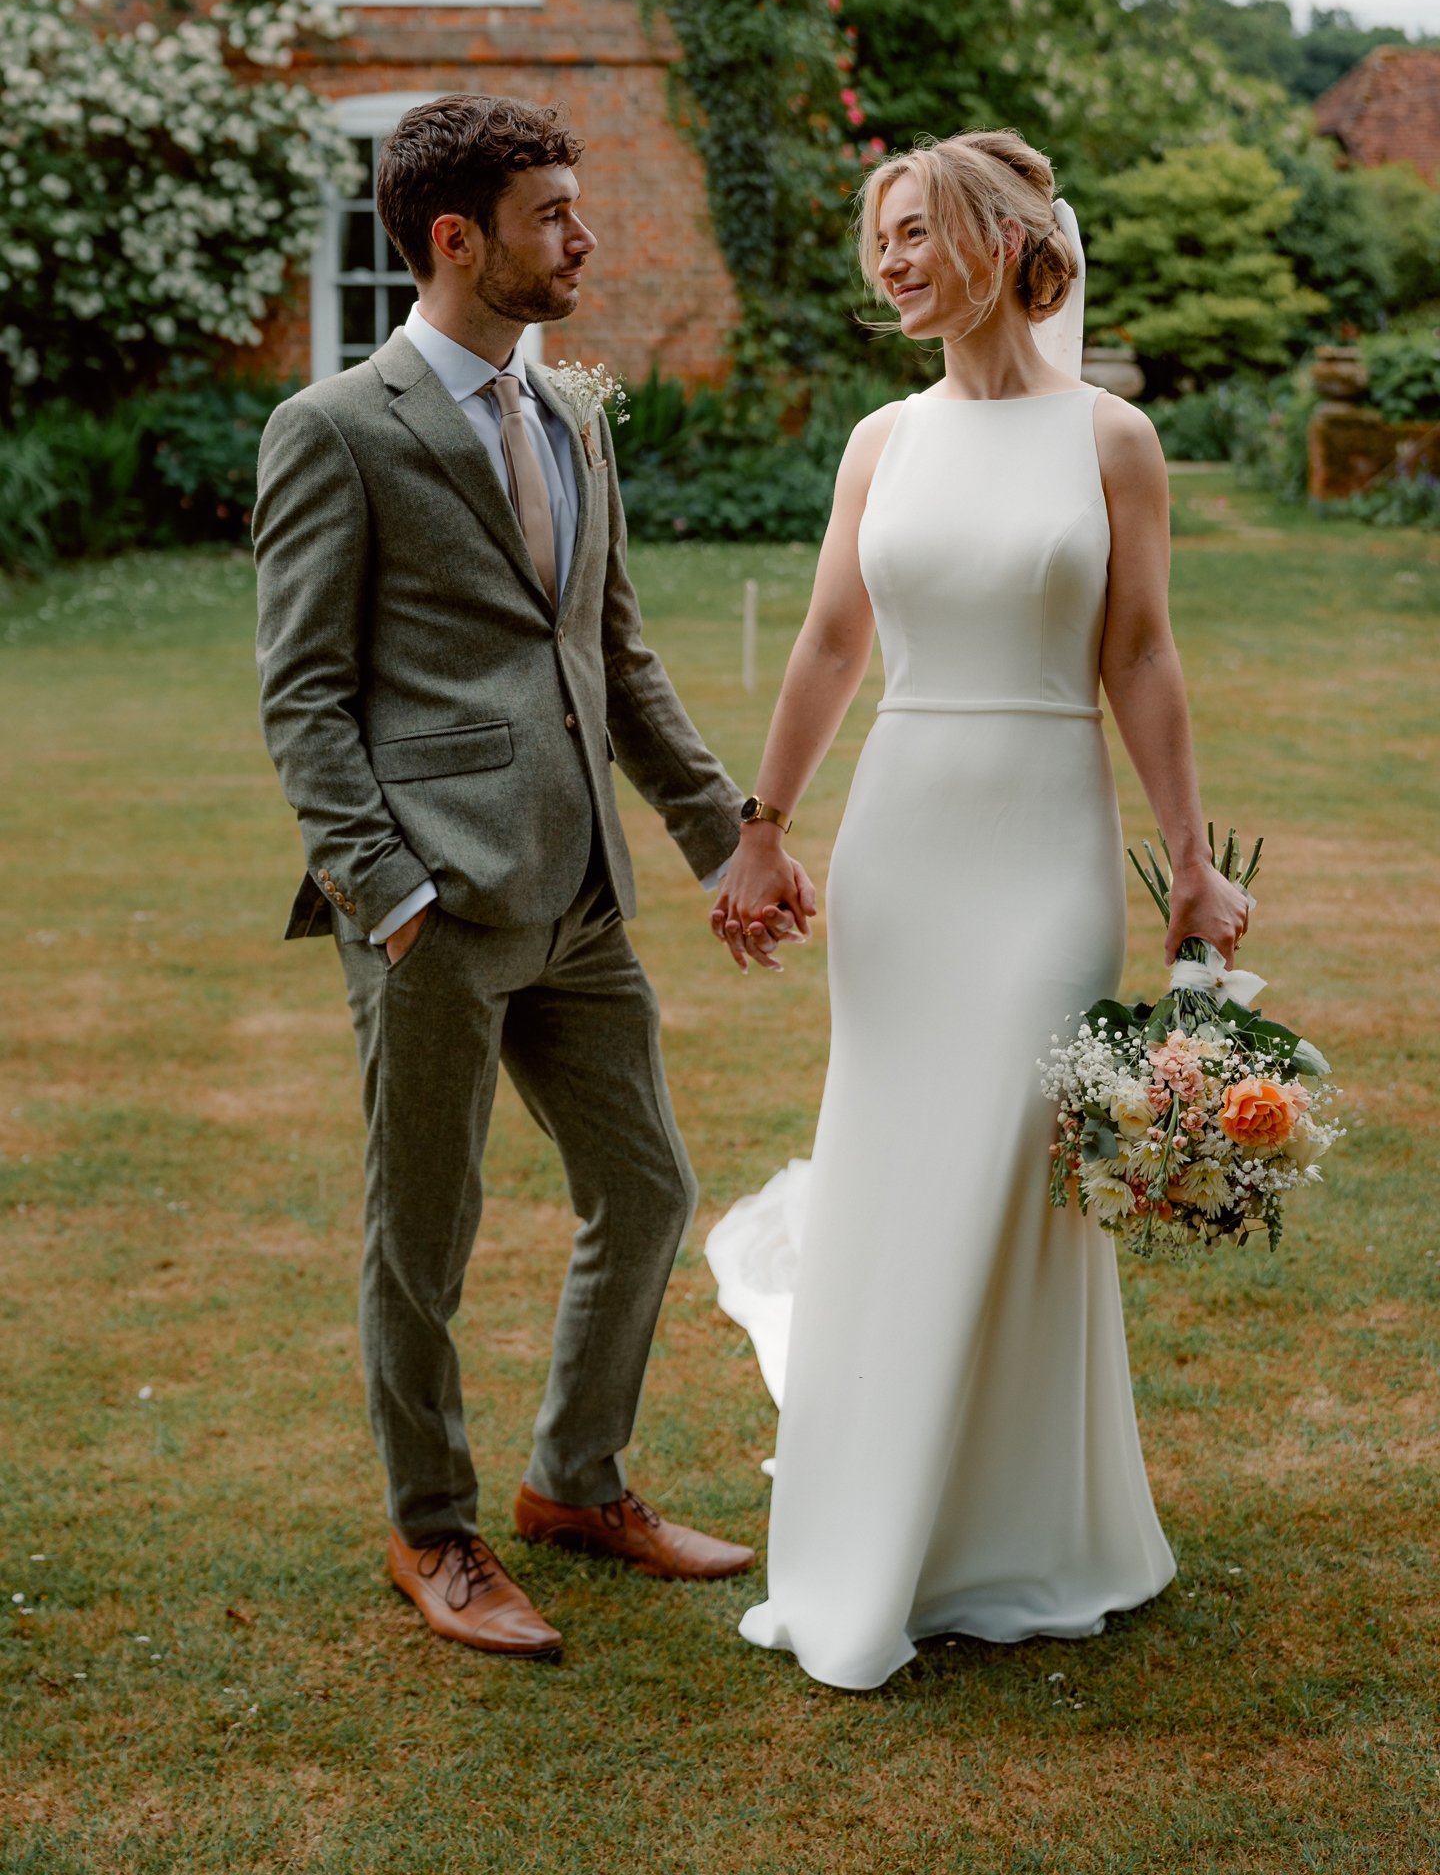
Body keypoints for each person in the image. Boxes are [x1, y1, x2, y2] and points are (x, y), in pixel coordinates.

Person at [252, 92, 811, 1661]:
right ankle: (436, 1532)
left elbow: (612, 654)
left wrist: (728, 837)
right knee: (418, 1235)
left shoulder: (569, 412)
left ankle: (576, 1482)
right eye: (555, 214)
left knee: (645, 1189)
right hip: (431, 913)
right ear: (457, 238)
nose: (583, 239)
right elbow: (302, 693)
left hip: (581, 901)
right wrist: (391, 891)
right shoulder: (338, 428)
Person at [705, 128, 1251, 1691]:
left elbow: (1139, 655)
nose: (890, 261)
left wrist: (1192, 864)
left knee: (1020, 1168)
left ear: (1005, 241)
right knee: (900, 1168)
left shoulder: (1112, 439)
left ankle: (1018, 1529)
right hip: (907, 837)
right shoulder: (880, 441)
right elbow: (825, 644)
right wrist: (765, 831)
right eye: (878, 237)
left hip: (1045, 845)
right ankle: (880, 1532)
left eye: (915, 231)